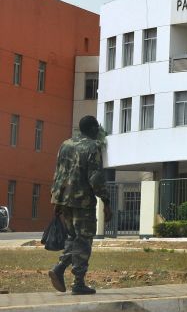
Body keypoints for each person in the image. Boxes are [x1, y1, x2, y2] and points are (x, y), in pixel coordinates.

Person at [48, 115, 112, 295]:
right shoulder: (93, 146)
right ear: (92, 129)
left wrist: (57, 200)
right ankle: (78, 282)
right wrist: (106, 201)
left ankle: (60, 269)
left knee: (73, 237)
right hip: (82, 201)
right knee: (83, 240)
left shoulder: (65, 144)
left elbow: (59, 172)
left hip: (64, 199)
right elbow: (96, 177)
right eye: (97, 129)